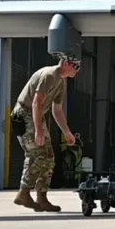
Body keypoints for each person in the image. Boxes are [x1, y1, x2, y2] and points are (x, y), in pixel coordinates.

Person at [10, 57, 81, 212]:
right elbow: (36, 102)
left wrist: (67, 132)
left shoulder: (61, 82)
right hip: (25, 114)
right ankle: (24, 192)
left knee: (49, 157)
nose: (77, 70)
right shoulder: (50, 75)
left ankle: (42, 198)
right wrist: (38, 130)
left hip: (36, 116)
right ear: (66, 63)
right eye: (76, 67)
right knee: (37, 154)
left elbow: (57, 110)